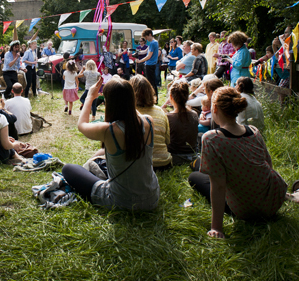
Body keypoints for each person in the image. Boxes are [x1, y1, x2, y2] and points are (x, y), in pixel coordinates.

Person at [188, 87, 287, 239]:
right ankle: (197, 163)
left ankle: (195, 164)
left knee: (195, 177)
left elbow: (219, 185)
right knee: (201, 163)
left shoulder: (211, 139)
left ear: (214, 108)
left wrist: (217, 227)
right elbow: (269, 165)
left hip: (245, 208)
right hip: (273, 200)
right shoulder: (254, 131)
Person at [62, 76, 159, 210]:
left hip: (122, 200)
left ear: (109, 102)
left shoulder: (109, 130)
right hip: (152, 197)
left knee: (68, 169)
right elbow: (129, 109)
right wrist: (122, 87)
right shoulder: (149, 121)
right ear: (132, 99)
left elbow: (82, 125)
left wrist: (90, 96)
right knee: (102, 154)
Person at [130, 75, 172, 169]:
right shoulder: (160, 111)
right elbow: (167, 140)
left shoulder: (129, 112)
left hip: (140, 164)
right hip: (164, 163)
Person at [164, 81, 199, 165]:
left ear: (171, 97)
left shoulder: (168, 117)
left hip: (174, 156)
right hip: (192, 155)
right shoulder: (194, 114)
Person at [138, 28, 161, 104]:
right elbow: (145, 51)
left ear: (150, 34)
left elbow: (149, 56)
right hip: (152, 64)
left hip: (150, 65)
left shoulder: (152, 43)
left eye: (146, 37)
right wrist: (138, 53)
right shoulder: (155, 42)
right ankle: (154, 98)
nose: (146, 39)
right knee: (152, 82)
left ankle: (153, 99)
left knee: (151, 83)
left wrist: (140, 61)